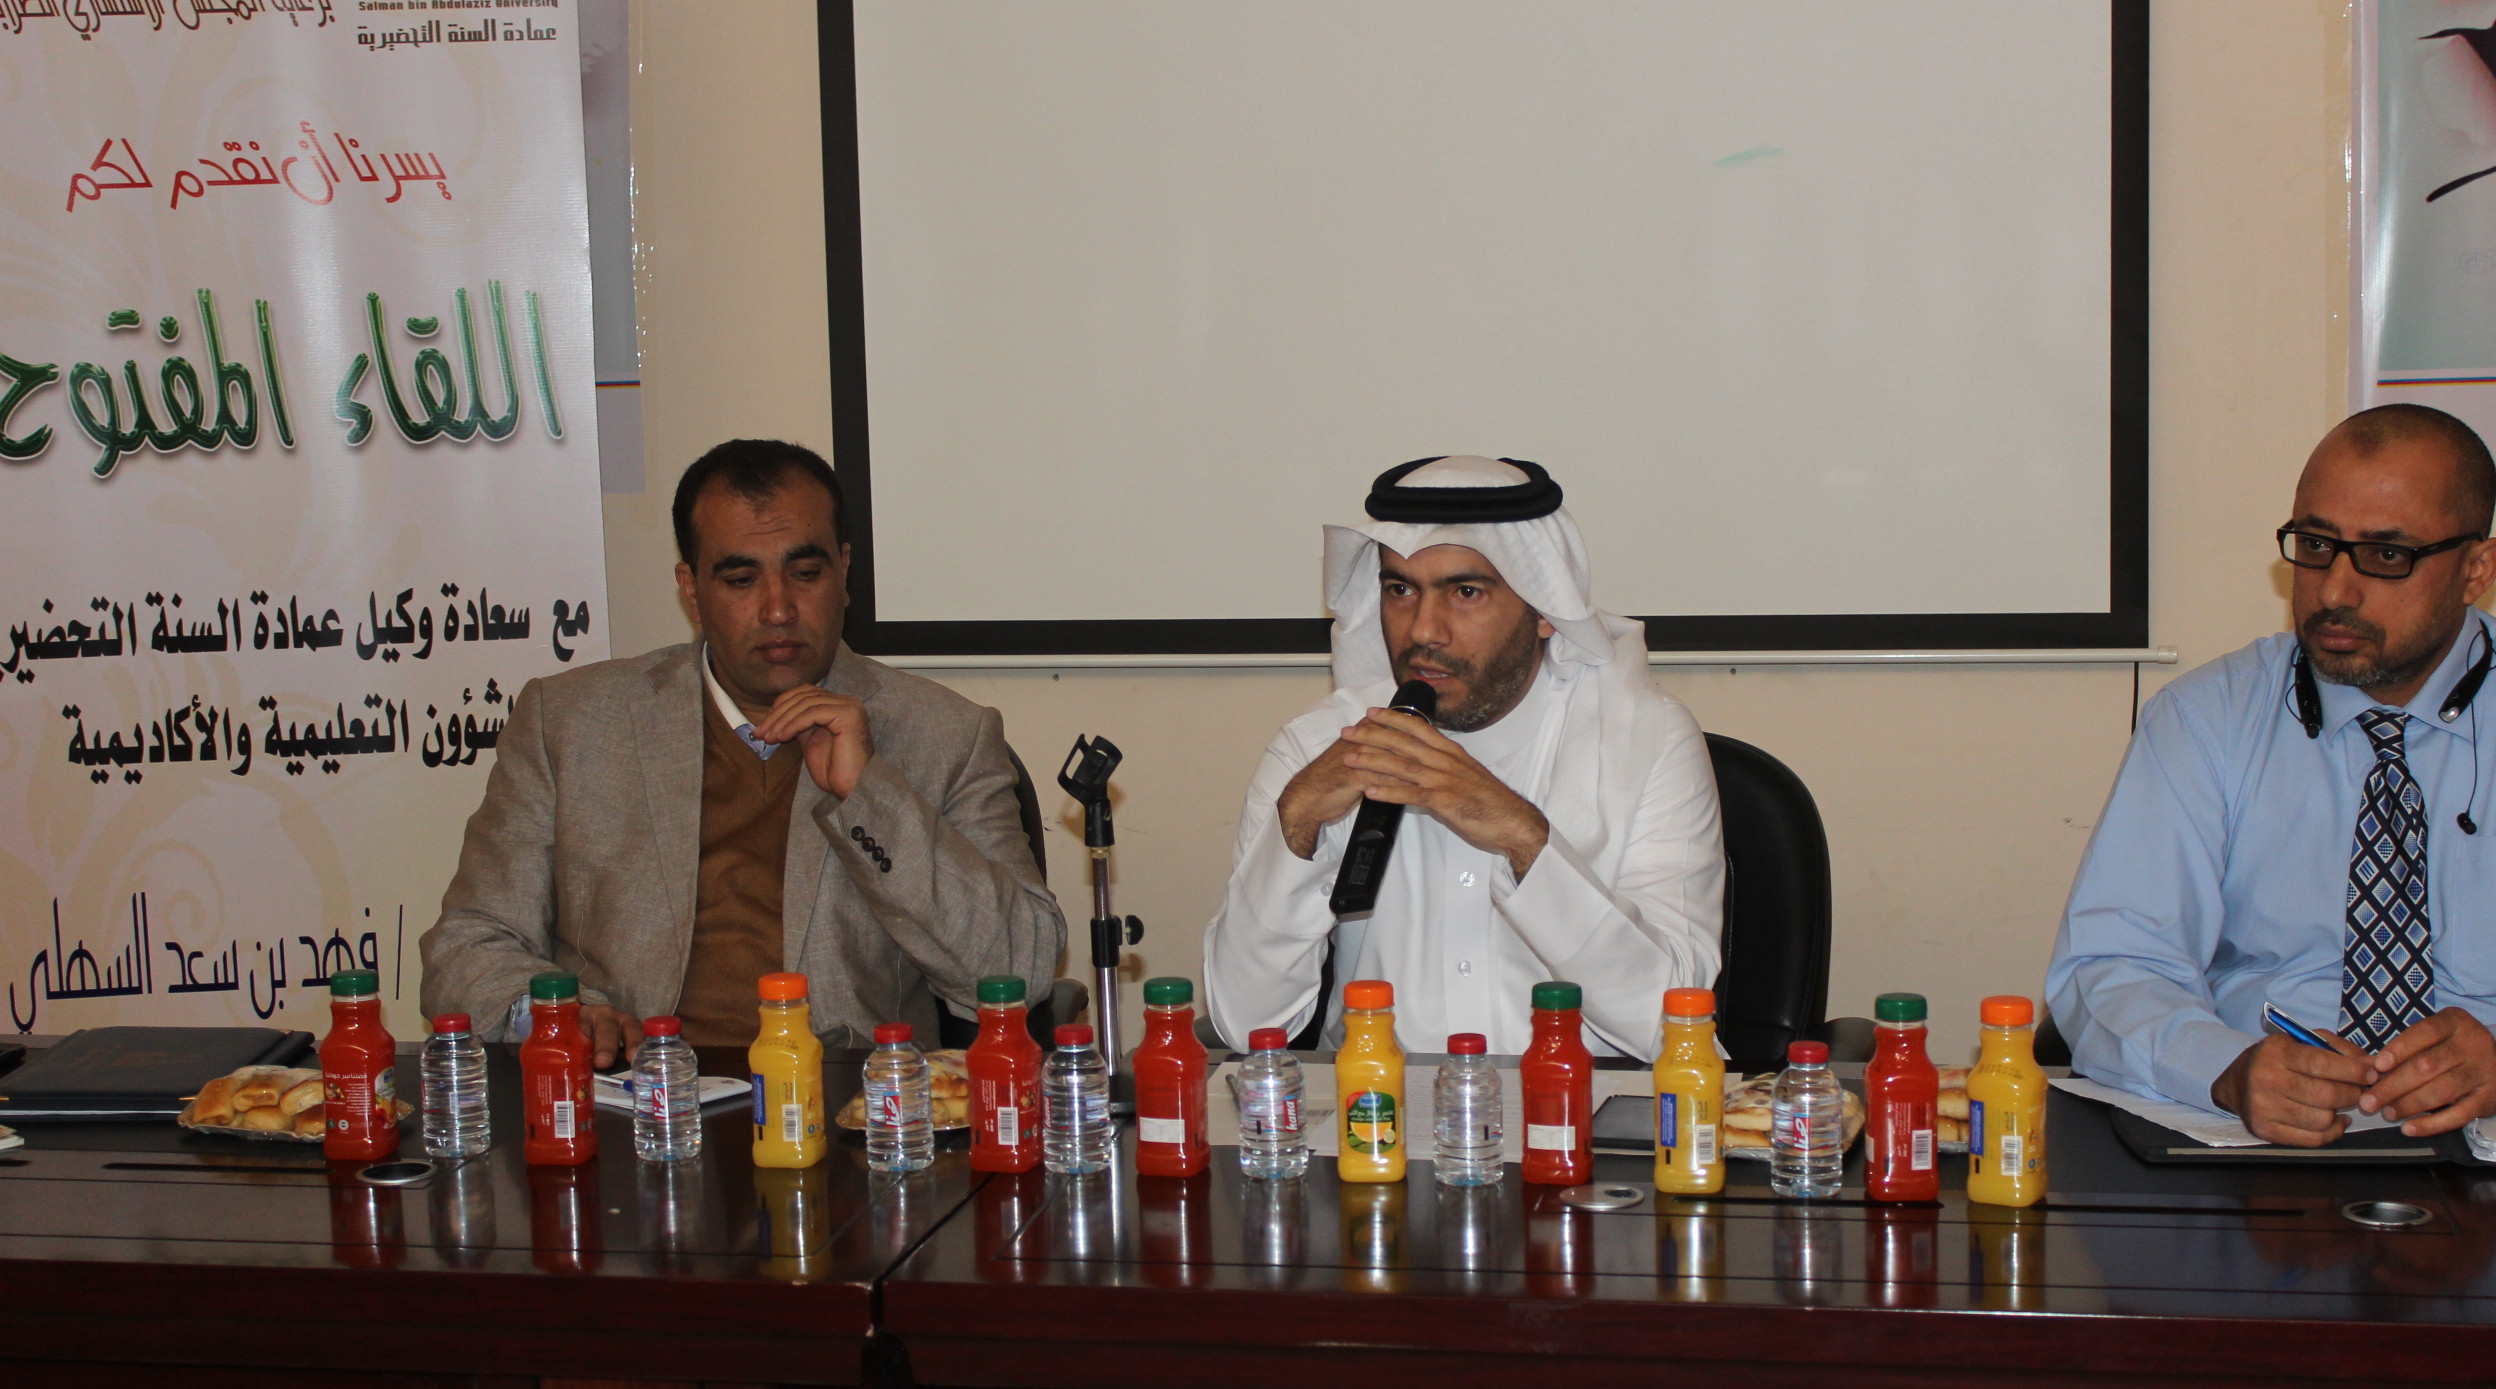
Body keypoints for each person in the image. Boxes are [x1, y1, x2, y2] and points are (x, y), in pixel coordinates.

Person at [421, 439, 1064, 1064]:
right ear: (691, 590)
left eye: (805, 574)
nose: (778, 609)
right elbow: (466, 948)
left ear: (844, 572)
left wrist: (867, 792)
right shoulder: (568, 722)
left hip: (846, 1105)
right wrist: (557, 1017)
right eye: (740, 579)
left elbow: (1021, 968)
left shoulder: (947, 734)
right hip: (631, 1096)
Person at [2051, 404, 2496, 1144]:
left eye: (2386, 555)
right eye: (2315, 546)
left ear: (2477, 570)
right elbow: (2111, 966)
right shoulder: (2207, 719)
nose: (2336, 591)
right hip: (2264, 1140)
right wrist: (2225, 1070)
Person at [1203, 456, 1725, 1059]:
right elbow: (1244, 1023)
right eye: (1400, 590)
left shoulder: (1651, 740)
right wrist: (1296, 823)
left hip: (1582, 1106)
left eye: (1466, 592)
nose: (1424, 630)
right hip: (1376, 1107)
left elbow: (1673, 1026)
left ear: (1543, 610)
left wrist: (1524, 840)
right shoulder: (1317, 747)